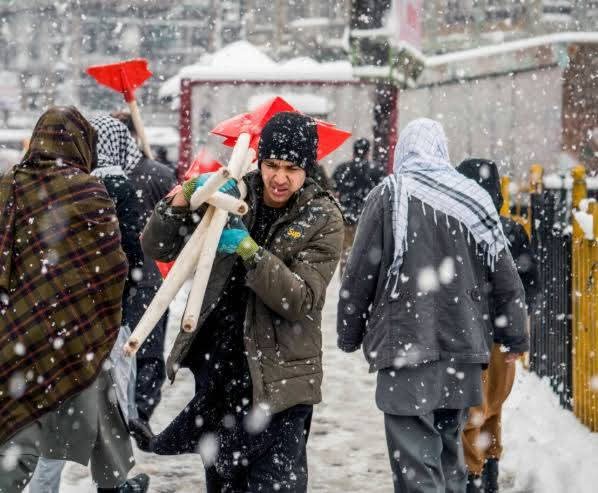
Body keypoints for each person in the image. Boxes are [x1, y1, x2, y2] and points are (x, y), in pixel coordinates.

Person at [135, 111, 343, 492]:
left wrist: (250, 251)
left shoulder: (322, 217)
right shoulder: (231, 193)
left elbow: (300, 299)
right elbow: (157, 245)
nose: (279, 178)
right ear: (259, 161)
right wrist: (184, 197)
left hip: (279, 386)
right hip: (220, 376)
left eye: (292, 169)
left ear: (307, 169)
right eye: (272, 165)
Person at [336, 118, 528, 493]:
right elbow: (506, 277)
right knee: (449, 456)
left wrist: (349, 332)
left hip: (405, 346)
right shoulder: (474, 200)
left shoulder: (390, 195)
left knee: (415, 466)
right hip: (463, 349)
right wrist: (515, 337)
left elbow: (358, 275)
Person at [0, 106, 148, 492]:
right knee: (96, 412)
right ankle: (115, 483)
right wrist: (93, 311)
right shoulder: (88, 190)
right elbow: (115, 266)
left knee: (20, 425)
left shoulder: (10, 185)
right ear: (83, 144)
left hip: (18, 334)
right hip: (78, 335)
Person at [457, 158, 539, 493]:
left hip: (471, 339)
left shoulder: (459, 230)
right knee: (493, 411)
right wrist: (515, 332)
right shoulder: (511, 230)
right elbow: (530, 286)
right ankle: (489, 474)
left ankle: (472, 480)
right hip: (503, 339)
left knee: (469, 418)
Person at [107, 112, 177, 428]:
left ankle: (123, 412)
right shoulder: (157, 174)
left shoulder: (95, 176)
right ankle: (138, 412)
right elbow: (178, 221)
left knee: (121, 350)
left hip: (114, 276)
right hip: (147, 275)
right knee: (146, 348)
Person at [332, 138, 385, 273]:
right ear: (368, 152)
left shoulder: (342, 169)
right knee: (365, 256)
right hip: (368, 220)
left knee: (346, 254)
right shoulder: (377, 170)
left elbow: (333, 191)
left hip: (346, 219)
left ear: (354, 151)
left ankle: (345, 280)